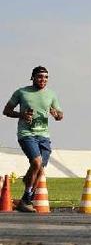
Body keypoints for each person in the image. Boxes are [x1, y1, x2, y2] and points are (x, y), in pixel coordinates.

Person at [2, 66, 63, 212]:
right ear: (33, 77)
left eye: (46, 77)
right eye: (40, 77)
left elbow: (60, 115)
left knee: (40, 169)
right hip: (26, 134)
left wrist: (56, 115)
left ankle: (26, 200)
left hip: (44, 136)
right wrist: (21, 115)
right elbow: (6, 111)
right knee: (36, 162)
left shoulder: (51, 95)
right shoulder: (22, 92)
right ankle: (27, 196)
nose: (43, 80)